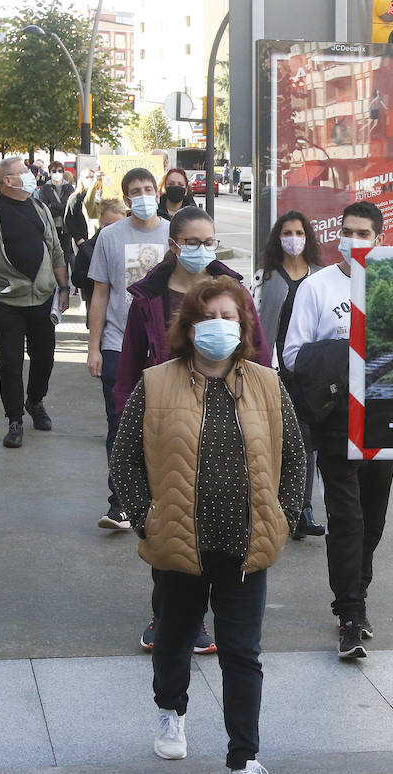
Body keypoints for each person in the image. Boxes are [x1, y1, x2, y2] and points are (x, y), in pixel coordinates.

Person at [110, 276, 304, 774]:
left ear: (243, 327)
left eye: (230, 316)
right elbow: (125, 458)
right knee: (174, 639)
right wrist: (145, 518)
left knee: (243, 655)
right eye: (208, 316)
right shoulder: (156, 383)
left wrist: (284, 517)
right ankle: (171, 707)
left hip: (246, 546)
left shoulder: (267, 384)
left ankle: (244, 766)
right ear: (189, 326)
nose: (219, 325)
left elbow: (294, 457)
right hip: (179, 542)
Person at [112, 205, 272, 654]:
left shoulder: (233, 293)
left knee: (215, 520)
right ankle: (167, 610)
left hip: (227, 426)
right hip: (167, 427)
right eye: (193, 242)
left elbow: (258, 358)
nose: (202, 249)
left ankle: (203, 614)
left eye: (209, 241)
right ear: (174, 244)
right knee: (170, 519)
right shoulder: (149, 298)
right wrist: (132, 422)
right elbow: (128, 372)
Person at [282, 200, 393, 659]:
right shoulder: (315, 287)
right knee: (345, 517)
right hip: (335, 421)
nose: (352, 240)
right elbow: (292, 355)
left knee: (373, 517)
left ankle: (358, 592)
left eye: (363, 233)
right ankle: (350, 612)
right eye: (346, 231)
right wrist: (350, 355)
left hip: (386, 422)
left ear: (380, 239)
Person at [0, 157, 71, 449]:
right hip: (6, 301)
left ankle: (34, 401)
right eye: (23, 172)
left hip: (41, 299)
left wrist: (64, 287)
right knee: (10, 363)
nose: (30, 175)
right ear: (7, 181)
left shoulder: (40, 209)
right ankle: (14, 420)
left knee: (44, 359)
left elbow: (56, 251)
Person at [86, 167, 169, 531]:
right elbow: (100, 294)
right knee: (120, 425)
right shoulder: (109, 236)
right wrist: (94, 347)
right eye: (136, 190)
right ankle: (119, 503)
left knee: (165, 425)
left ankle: (162, 499)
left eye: (149, 188)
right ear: (126, 196)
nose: (144, 195)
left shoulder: (173, 233)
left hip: (166, 346)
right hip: (119, 344)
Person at [252, 210, 325, 540]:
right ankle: (277, 504)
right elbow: (258, 330)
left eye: (299, 231)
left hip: (310, 375)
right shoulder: (265, 279)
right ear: (278, 238)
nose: (294, 238)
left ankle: (302, 508)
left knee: (308, 442)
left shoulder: (321, 278)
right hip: (274, 374)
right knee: (276, 442)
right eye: (287, 232)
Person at [71, 198, 124, 305]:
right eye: (108, 226)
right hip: (97, 303)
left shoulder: (129, 245)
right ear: (100, 223)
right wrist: (99, 276)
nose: (114, 230)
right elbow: (77, 278)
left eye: (119, 226)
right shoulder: (88, 248)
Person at [36, 161, 75, 268]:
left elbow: (70, 207)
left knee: (65, 256)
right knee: (51, 255)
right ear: (49, 172)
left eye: (60, 171)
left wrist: (53, 204)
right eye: (54, 171)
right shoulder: (45, 188)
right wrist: (60, 207)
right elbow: (44, 208)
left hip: (65, 228)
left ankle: (64, 281)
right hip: (50, 227)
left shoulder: (69, 188)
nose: (57, 173)